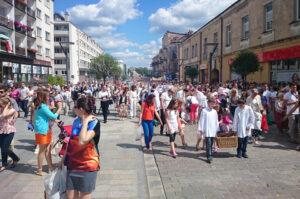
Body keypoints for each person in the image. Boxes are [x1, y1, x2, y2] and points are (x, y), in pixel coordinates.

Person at [57, 96, 100, 199]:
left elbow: (82, 141)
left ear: (81, 109)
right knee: (71, 195)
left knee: (84, 195)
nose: (73, 109)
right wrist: (62, 160)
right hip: (72, 164)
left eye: (75, 107)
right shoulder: (76, 121)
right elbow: (71, 143)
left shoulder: (94, 122)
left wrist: (85, 122)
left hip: (88, 165)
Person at [34, 89, 62, 176]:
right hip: (42, 130)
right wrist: (60, 108)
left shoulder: (41, 106)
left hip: (45, 129)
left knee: (47, 149)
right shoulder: (43, 106)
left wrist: (54, 120)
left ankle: (50, 167)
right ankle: (39, 170)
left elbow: (47, 117)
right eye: (48, 96)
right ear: (43, 97)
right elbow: (53, 115)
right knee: (42, 150)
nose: (49, 97)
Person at [0, 97, 19, 172]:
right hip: (1, 130)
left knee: (5, 148)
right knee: (2, 149)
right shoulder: (1, 109)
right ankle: (4, 164)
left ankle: (15, 158)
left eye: (1, 105)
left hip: (9, 131)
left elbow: (4, 115)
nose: (0, 106)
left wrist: (7, 106)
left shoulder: (11, 110)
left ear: (6, 104)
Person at [198, 98, 219, 163]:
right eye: (211, 104)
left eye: (213, 104)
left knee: (211, 142)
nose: (212, 105)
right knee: (208, 142)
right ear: (208, 103)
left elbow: (216, 121)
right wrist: (201, 129)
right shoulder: (204, 111)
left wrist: (216, 129)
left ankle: (210, 153)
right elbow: (201, 120)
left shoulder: (214, 111)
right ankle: (209, 156)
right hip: (206, 129)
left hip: (212, 129)